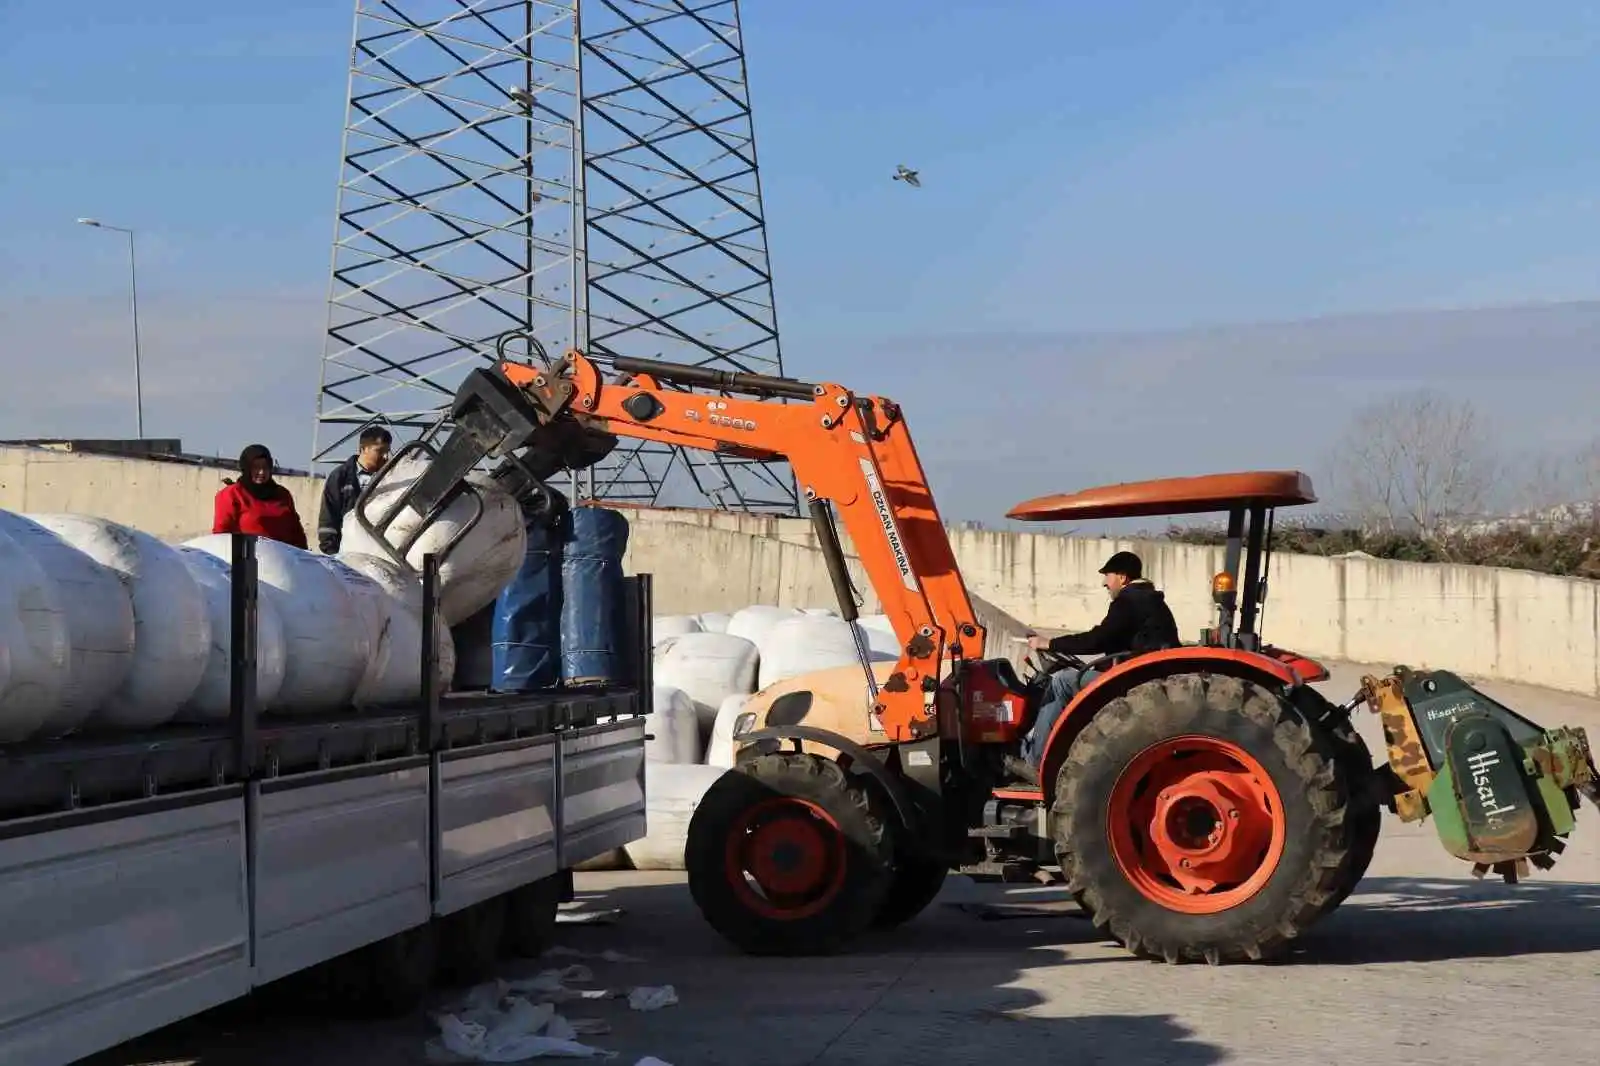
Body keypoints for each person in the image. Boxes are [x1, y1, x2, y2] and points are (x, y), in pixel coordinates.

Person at [1009, 550, 1181, 783]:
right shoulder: (1150, 600)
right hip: (1143, 675)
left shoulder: (1129, 600)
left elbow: (1097, 639)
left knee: (1061, 681)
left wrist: (1048, 642)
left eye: (1107, 576)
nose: (1104, 583)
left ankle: (1035, 760)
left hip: (1132, 682)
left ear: (1122, 577)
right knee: (1073, 676)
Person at [213, 444, 308, 549]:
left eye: (265, 467)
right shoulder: (232, 494)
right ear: (246, 468)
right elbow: (221, 535)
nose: (261, 472)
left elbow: (296, 532)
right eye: (256, 467)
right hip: (247, 560)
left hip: (283, 560)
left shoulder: (282, 494)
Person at [317, 426, 392, 554]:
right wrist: (331, 552)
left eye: (387, 451)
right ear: (363, 449)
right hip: (348, 552)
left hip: (381, 552)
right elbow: (329, 515)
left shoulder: (391, 476)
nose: (385, 456)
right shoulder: (340, 476)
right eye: (380, 451)